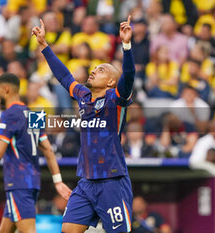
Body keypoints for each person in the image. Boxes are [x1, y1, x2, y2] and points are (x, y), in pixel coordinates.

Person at [32, 16, 135, 232]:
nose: (94, 70)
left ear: (110, 82)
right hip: (86, 180)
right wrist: (44, 46)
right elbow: (64, 77)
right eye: (95, 67)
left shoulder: (116, 99)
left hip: (112, 180)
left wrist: (126, 46)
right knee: (68, 229)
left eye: (101, 70)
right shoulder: (83, 96)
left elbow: (129, 75)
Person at [0, 73, 72, 233]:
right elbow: (49, 150)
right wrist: (57, 181)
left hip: (18, 182)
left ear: (6, 89)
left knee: (28, 231)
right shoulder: (35, 114)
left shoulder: (8, 115)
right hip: (32, 182)